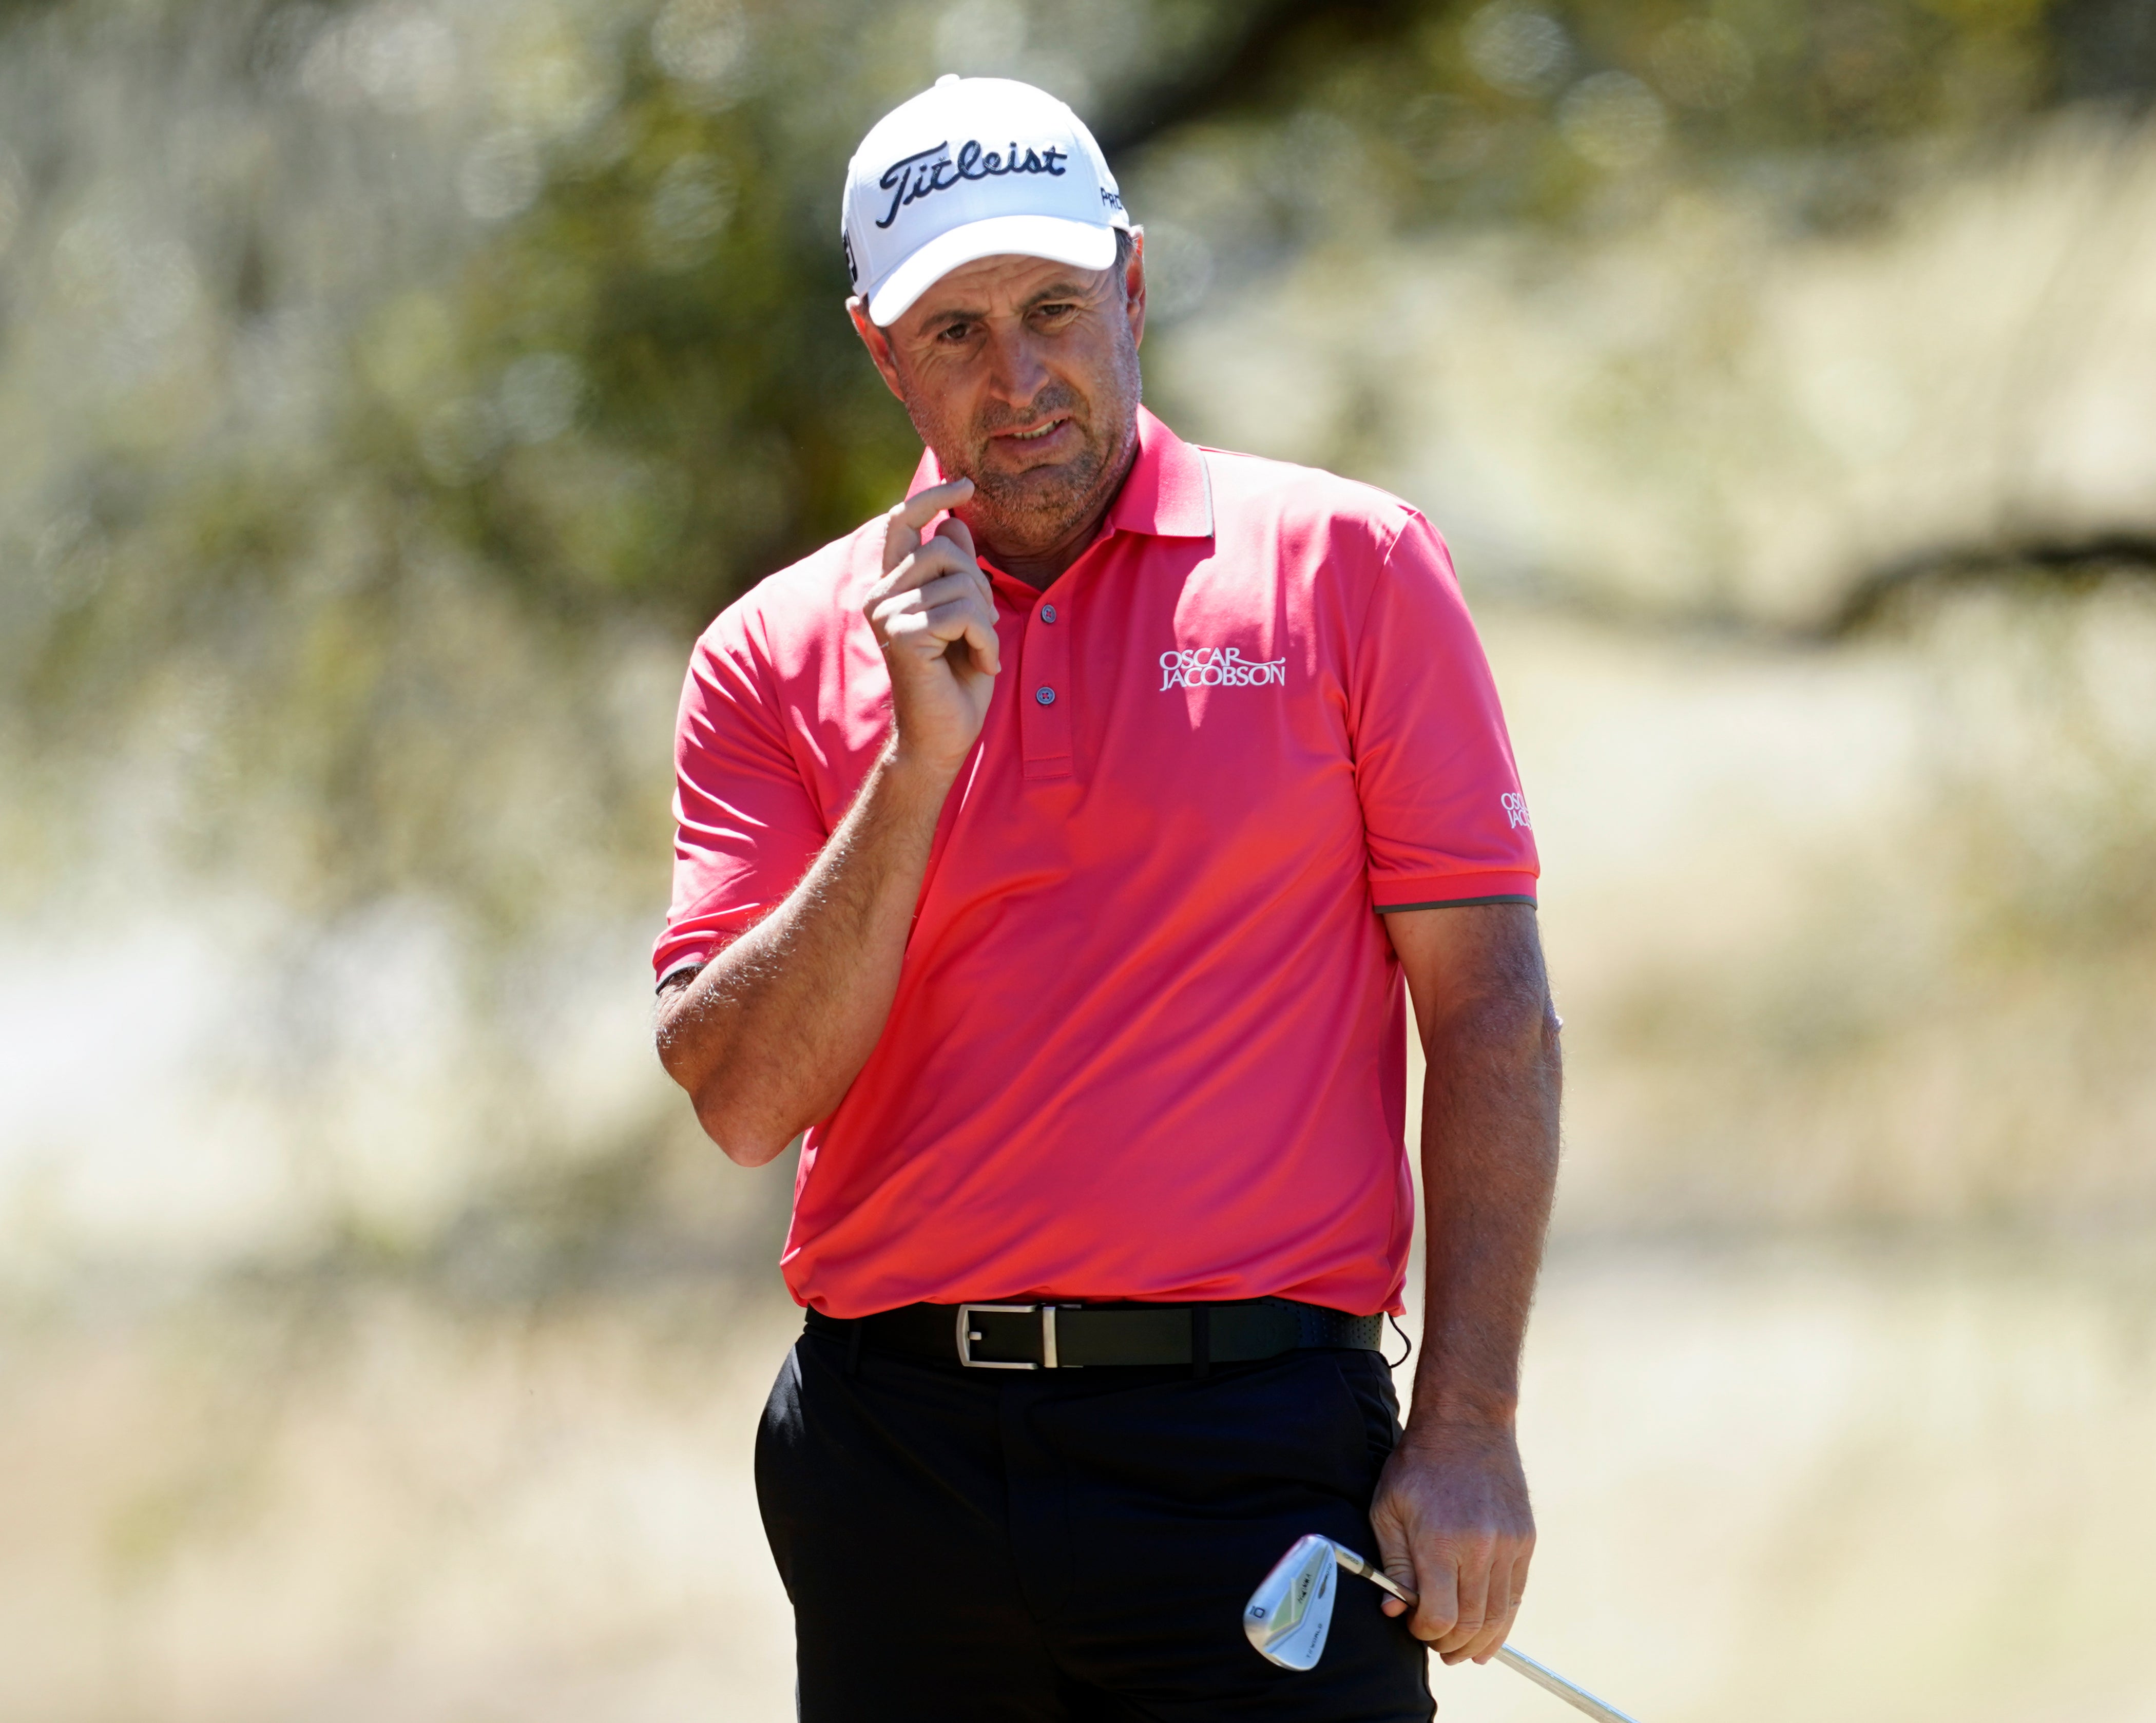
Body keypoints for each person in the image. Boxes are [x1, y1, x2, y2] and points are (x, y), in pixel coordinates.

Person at [652, 73, 1560, 1721]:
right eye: (955, 333)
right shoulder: (774, 653)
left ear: (1131, 288)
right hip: (895, 1463)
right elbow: (740, 1100)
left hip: (1255, 1449)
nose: (1019, 380)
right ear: (880, 348)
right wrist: (912, 767)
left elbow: (1491, 1008)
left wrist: (1473, 1426)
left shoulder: (1348, 570)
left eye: (1054, 309)